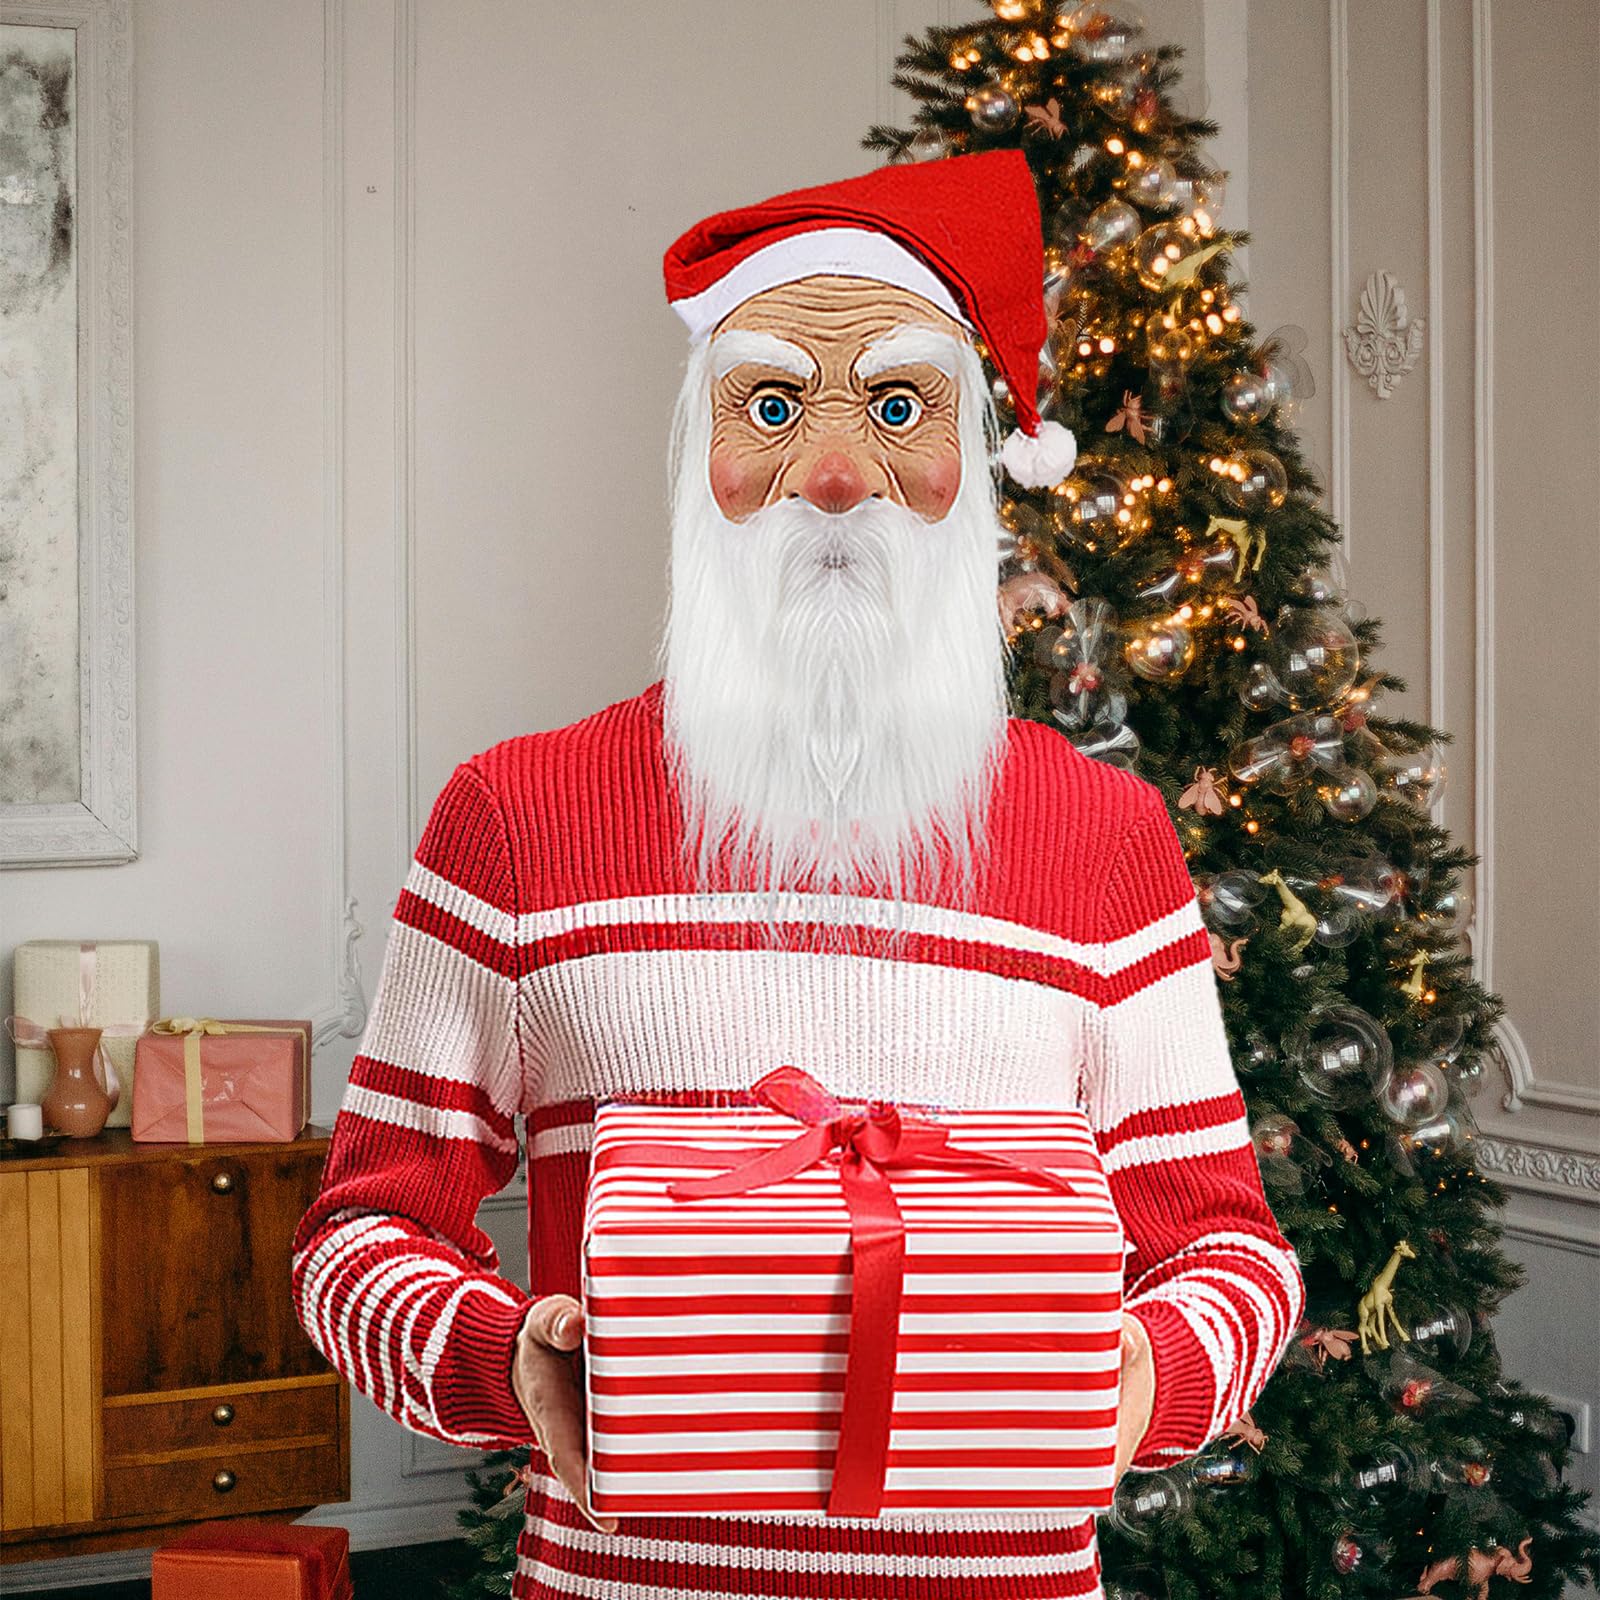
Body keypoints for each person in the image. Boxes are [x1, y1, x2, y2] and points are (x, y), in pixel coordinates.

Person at [291, 148, 1306, 1600]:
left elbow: (1229, 1253)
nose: (834, 475)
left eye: (899, 407)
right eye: (771, 406)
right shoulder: (513, 814)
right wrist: (506, 1359)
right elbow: (359, 1238)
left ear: (978, 462)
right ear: (694, 458)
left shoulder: (1107, 838)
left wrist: (1149, 1377)